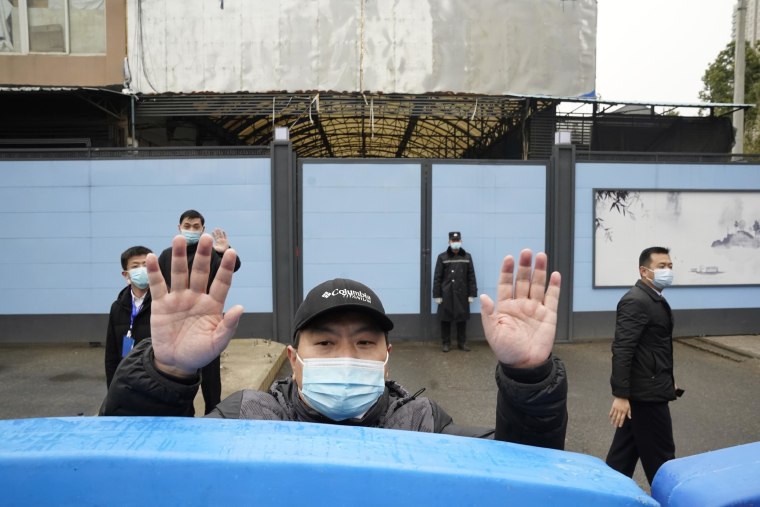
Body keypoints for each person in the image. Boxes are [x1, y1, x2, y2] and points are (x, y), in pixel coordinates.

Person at [101, 234, 568, 450]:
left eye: (365, 344)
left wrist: (529, 375)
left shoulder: (423, 425)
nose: (346, 357)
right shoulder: (245, 418)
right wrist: (167, 372)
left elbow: (523, 473)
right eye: (324, 344)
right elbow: (132, 466)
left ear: (387, 358)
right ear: (293, 358)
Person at [605, 246, 680, 485]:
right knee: (662, 461)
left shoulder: (653, 298)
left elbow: (654, 348)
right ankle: (671, 499)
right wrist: (620, 394)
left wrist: (668, 379)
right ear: (644, 271)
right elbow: (623, 349)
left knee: (621, 459)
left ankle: (607, 497)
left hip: (649, 388)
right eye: (661, 266)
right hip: (646, 396)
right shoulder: (636, 301)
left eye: (669, 266)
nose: (667, 270)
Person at [157, 209, 242, 415]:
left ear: (203, 229)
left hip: (206, 321)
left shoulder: (211, 253)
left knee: (211, 376)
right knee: (178, 375)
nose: (191, 230)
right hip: (176, 323)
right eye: (187, 226)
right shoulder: (168, 255)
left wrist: (224, 250)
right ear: (179, 228)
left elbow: (234, 266)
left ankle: (214, 414)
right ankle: (183, 414)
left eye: (196, 227)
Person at [104, 246, 153, 388]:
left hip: (156, 381)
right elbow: (111, 355)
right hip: (128, 382)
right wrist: (112, 389)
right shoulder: (117, 307)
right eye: (136, 266)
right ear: (126, 274)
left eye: (146, 265)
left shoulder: (164, 303)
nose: (142, 269)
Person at [432, 231, 478, 352]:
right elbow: (437, 277)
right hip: (446, 294)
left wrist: (472, 294)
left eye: (457, 241)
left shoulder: (467, 257)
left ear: (461, 241)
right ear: (449, 242)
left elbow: (471, 276)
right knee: (445, 319)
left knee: (461, 319)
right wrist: (437, 295)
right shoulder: (442, 257)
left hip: (462, 294)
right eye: (453, 241)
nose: (455, 243)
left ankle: (461, 343)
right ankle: (446, 343)